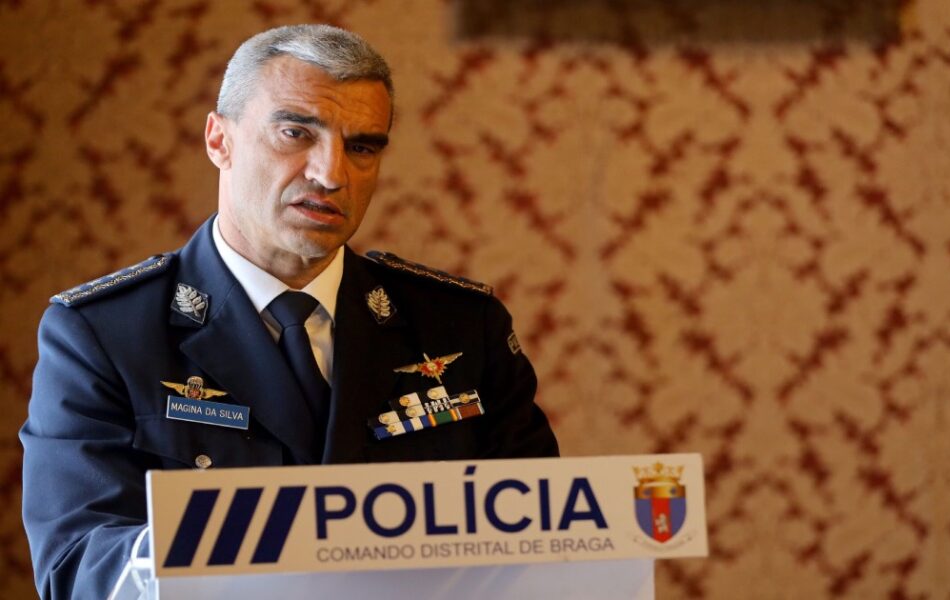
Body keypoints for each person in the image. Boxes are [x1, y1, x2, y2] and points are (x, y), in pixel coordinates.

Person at [20, 24, 558, 599]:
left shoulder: (461, 326)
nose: (331, 174)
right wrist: (257, 541)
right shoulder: (103, 334)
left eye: (362, 147)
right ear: (219, 140)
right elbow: (78, 566)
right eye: (295, 133)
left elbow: (547, 540)